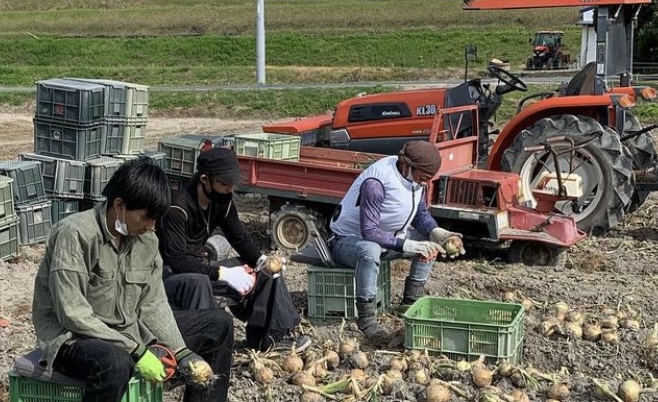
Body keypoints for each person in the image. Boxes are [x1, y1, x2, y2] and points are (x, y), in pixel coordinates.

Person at [32, 156, 236, 402]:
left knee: (218, 324)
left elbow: (153, 303)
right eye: (146, 217)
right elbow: (72, 313)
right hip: (74, 338)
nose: (152, 226)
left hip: (127, 330)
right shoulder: (75, 234)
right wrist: (136, 349)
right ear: (120, 205)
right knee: (116, 361)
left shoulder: (146, 240)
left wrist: (181, 352)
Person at [158, 146, 308, 354]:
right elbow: (177, 261)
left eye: (232, 185)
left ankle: (269, 338)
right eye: (224, 184)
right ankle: (206, 349)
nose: (230, 190)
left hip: (201, 268)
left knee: (265, 273)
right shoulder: (177, 208)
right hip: (171, 278)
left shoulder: (222, 202)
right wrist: (222, 273)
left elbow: (240, 238)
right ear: (205, 180)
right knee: (198, 281)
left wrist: (262, 260)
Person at [328, 140, 462, 342]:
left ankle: (410, 300)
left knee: (429, 243)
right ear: (408, 166)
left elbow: (419, 212)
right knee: (370, 250)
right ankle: (367, 320)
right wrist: (410, 245)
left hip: (386, 238)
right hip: (345, 242)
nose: (425, 182)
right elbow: (370, 233)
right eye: (423, 177)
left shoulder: (415, 179)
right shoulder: (377, 183)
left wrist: (437, 232)